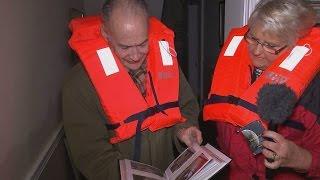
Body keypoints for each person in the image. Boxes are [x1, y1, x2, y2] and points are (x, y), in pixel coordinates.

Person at [63, 0, 202, 179]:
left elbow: (187, 105)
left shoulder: (166, 61)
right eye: (125, 47)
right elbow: (91, 155)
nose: (136, 55)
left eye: (143, 43)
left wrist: (185, 129)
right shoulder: (78, 85)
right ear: (106, 33)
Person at [203, 0, 320, 179]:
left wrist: (299, 158)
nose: (256, 51)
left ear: (296, 45)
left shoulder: (313, 90)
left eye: (270, 46)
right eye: (253, 38)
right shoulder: (233, 71)